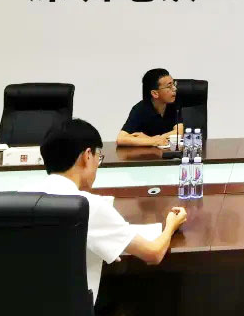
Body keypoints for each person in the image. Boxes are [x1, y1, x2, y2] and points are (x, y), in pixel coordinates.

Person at [30, 118, 188, 305]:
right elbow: (153, 254)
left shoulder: (21, 197)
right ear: (87, 156)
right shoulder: (87, 206)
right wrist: (171, 225)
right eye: (99, 157)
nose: (98, 164)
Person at [116, 68, 185, 147]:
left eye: (174, 84)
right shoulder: (140, 109)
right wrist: (154, 141)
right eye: (169, 86)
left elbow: (179, 132)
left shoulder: (174, 103)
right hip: (146, 154)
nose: (175, 88)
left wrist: (149, 138)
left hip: (168, 152)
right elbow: (121, 139)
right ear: (155, 93)